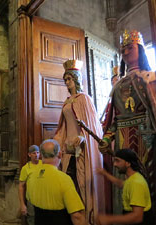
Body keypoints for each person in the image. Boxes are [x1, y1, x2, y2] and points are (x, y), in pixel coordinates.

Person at [99, 30, 156, 216]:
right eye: (123, 49)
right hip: (122, 136)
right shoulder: (118, 85)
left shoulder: (150, 77)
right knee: (124, 180)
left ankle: (147, 217)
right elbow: (112, 118)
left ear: (140, 49)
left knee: (146, 177)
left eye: (130, 47)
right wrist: (107, 137)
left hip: (145, 134)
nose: (125, 52)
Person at [54, 59, 109, 222]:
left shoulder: (84, 99)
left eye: (69, 79)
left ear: (76, 79)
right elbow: (63, 126)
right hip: (68, 148)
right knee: (68, 182)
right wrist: (58, 142)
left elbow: (93, 126)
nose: (67, 82)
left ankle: (85, 218)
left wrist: (83, 137)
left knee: (81, 184)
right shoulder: (67, 101)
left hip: (81, 149)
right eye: (65, 80)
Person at [27, 139, 85, 225]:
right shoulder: (63, 179)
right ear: (60, 154)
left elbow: (30, 199)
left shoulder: (31, 176)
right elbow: (77, 216)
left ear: (41, 155)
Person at [96, 149, 151, 225]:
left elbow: (137, 216)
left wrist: (109, 219)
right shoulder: (132, 179)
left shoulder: (136, 183)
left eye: (117, 161)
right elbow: (121, 184)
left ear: (128, 163)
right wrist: (105, 173)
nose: (114, 164)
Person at [19, 145, 42, 225]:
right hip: (31, 201)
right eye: (34, 153)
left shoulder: (44, 164)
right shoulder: (25, 168)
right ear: (29, 155)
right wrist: (22, 204)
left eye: (38, 152)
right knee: (32, 220)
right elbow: (21, 186)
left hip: (43, 199)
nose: (36, 155)